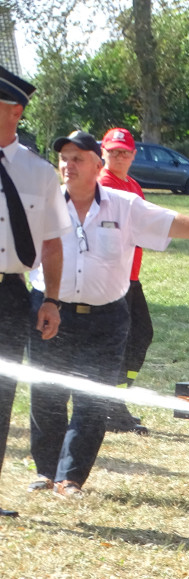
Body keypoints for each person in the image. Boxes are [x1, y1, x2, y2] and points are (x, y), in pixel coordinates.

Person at [26, 130, 189, 498]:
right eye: (64, 158)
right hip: (50, 311)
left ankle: (71, 479)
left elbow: (170, 222)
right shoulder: (44, 204)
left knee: (92, 399)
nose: (68, 165)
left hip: (105, 319)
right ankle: (46, 472)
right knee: (47, 395)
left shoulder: (124, 205)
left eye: (78, 158)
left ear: (97, 165)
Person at [0, 67, 70, 518]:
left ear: (15, 110)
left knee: (2, 392)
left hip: (9, 292)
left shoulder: (39, 172)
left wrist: (52, 300)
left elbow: (52, 243)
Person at [98, 127, 151, 435]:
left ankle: (116, 400)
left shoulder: (132, 184)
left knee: (140, 336)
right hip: (112, 279)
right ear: (103, 153)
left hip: (130, 277)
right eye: (113, 151)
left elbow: (144, 224)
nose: (119, 156)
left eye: (125, 152)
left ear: (133, 155)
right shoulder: (105, 184)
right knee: (120, 343)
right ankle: (110, 408)